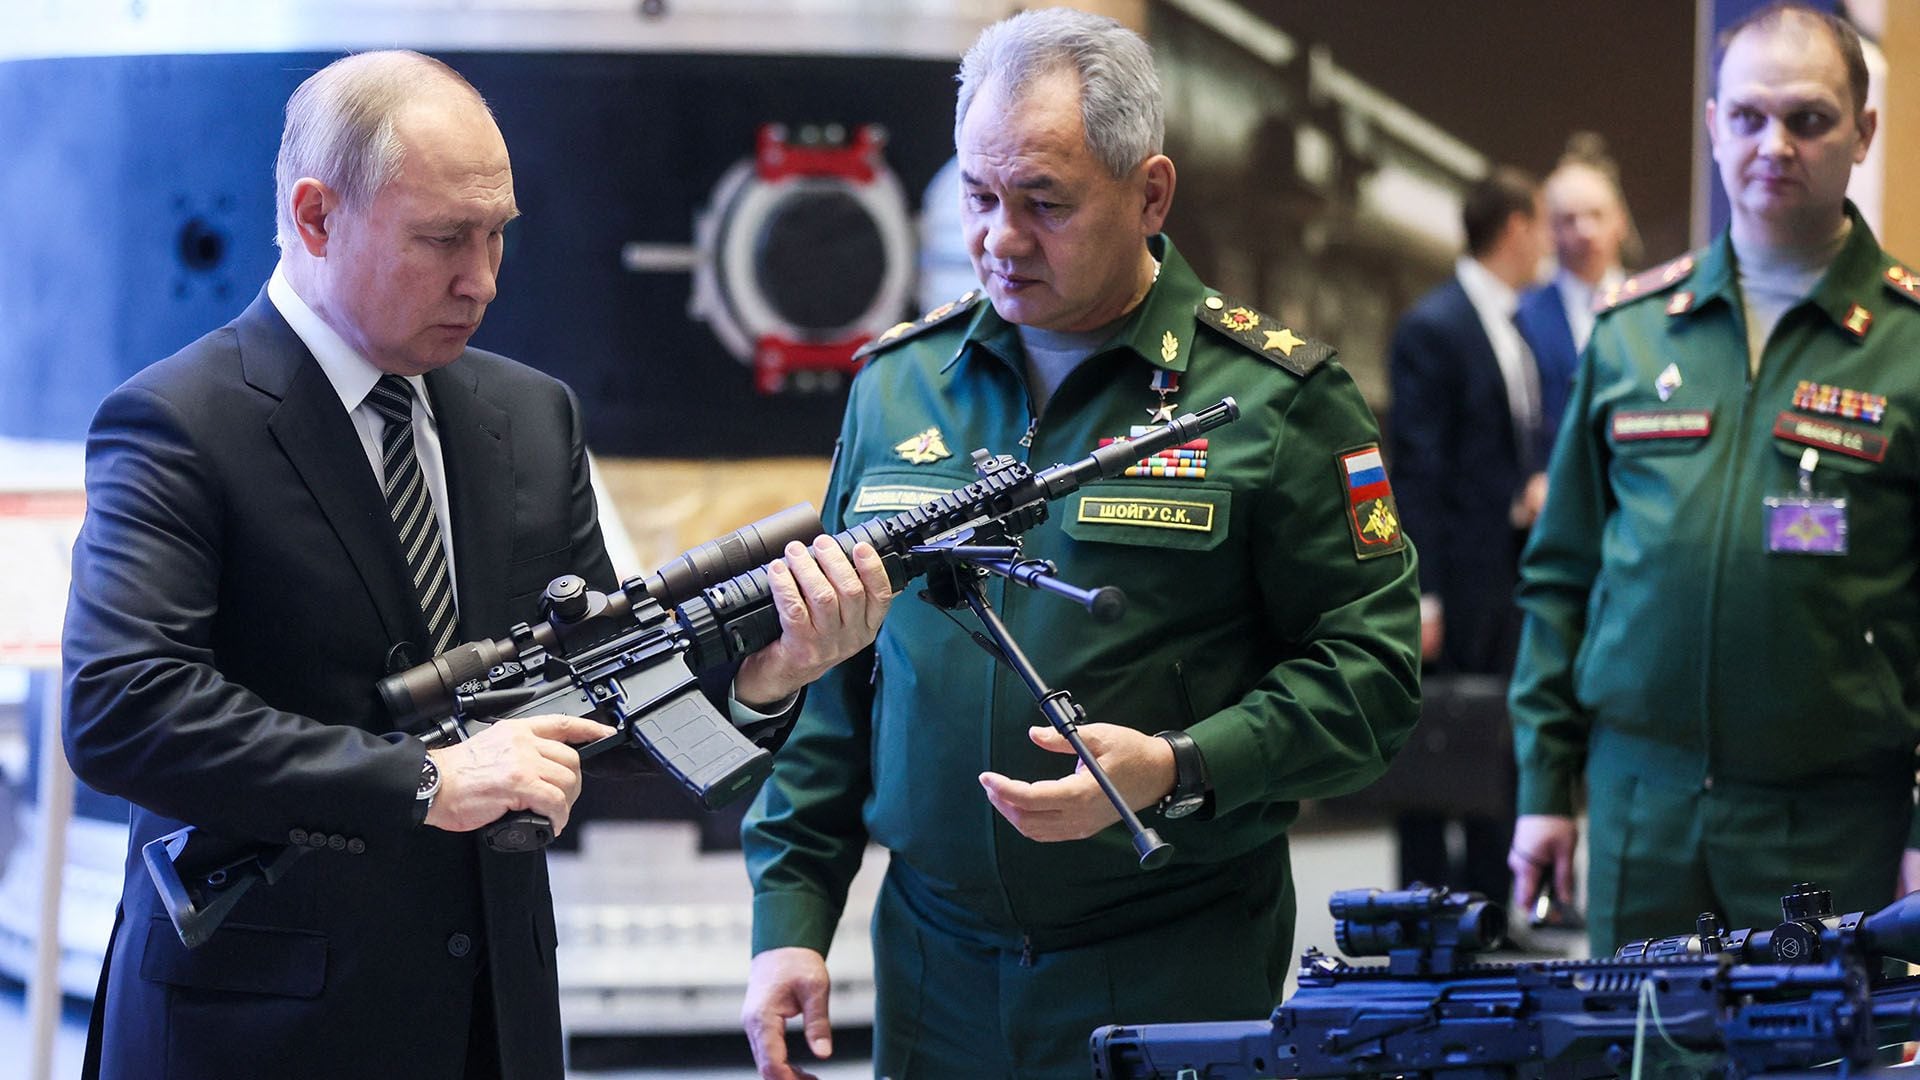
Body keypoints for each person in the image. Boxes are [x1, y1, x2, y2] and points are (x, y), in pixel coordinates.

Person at [61, 51, 890, 1080]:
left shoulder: (530, 416)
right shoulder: (181, 422)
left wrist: (768, 679)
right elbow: (121, 709)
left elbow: (601, 694)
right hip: (257, 1030)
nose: (484, 280)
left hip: (488, 1025)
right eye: (445, 239)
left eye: (498, 235)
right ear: (315, 217)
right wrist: (425, 779)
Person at [738, 9, 1420, 1079]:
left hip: (1172, 969)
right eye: (977, 196)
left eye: (1043, 202)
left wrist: (1176, 768)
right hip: (933, 975)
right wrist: (790, 914)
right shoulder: (897, 386)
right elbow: (840, 682)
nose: (999, 238)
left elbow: (1372, 678)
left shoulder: (1274, 403)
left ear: (1150, 195)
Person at [1508, 1, 1920, 955]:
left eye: (1808, 119)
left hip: (1831, 819)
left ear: (1862, 134)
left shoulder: (1907, 346)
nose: (1774, 144)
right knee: (1643, 1057)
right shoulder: (1631, 331)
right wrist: (1542, 790)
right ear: (1713, 126)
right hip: (1641, 813)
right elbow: (1562, 576)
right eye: (1748, 117)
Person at [1385, 168, 1549, 904]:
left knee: (1489, 744)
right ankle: (1421, 914)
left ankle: (1487, 906)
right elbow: (1416, 474)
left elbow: (1489, 458)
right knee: (1433, 747)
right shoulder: (1435, 325)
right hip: (1450, 580)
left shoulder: (1512, 326)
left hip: (1499, 578)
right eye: (1542, 225)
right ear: (1516, 227)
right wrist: (1422, 594)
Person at [1516, 137, 1636, 463]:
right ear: (1549, 230)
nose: (1584, 230)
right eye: (1568, 219)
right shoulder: (1521, 314)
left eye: (1596, 215)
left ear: (1620, 222)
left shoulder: (1652, 309)